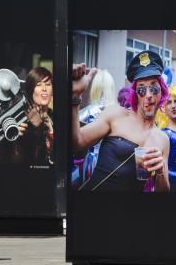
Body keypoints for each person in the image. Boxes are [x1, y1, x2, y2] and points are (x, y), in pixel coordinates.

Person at [71, 51, 170, 193]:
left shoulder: (162, 140)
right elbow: (77, 142)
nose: (148, 95)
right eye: (141, 89)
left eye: (153, 87)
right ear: (136, 94)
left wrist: (161, 171)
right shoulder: (116, 114)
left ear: (162, 91)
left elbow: (163, 193)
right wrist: (75, 96)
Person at [10, 66, 54, 166]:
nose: (44, 89)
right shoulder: (22, 120)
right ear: (30, 91)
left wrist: (49, 128)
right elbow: (16, 160)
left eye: (48, 84)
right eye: (38, 85)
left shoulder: (54, 117)